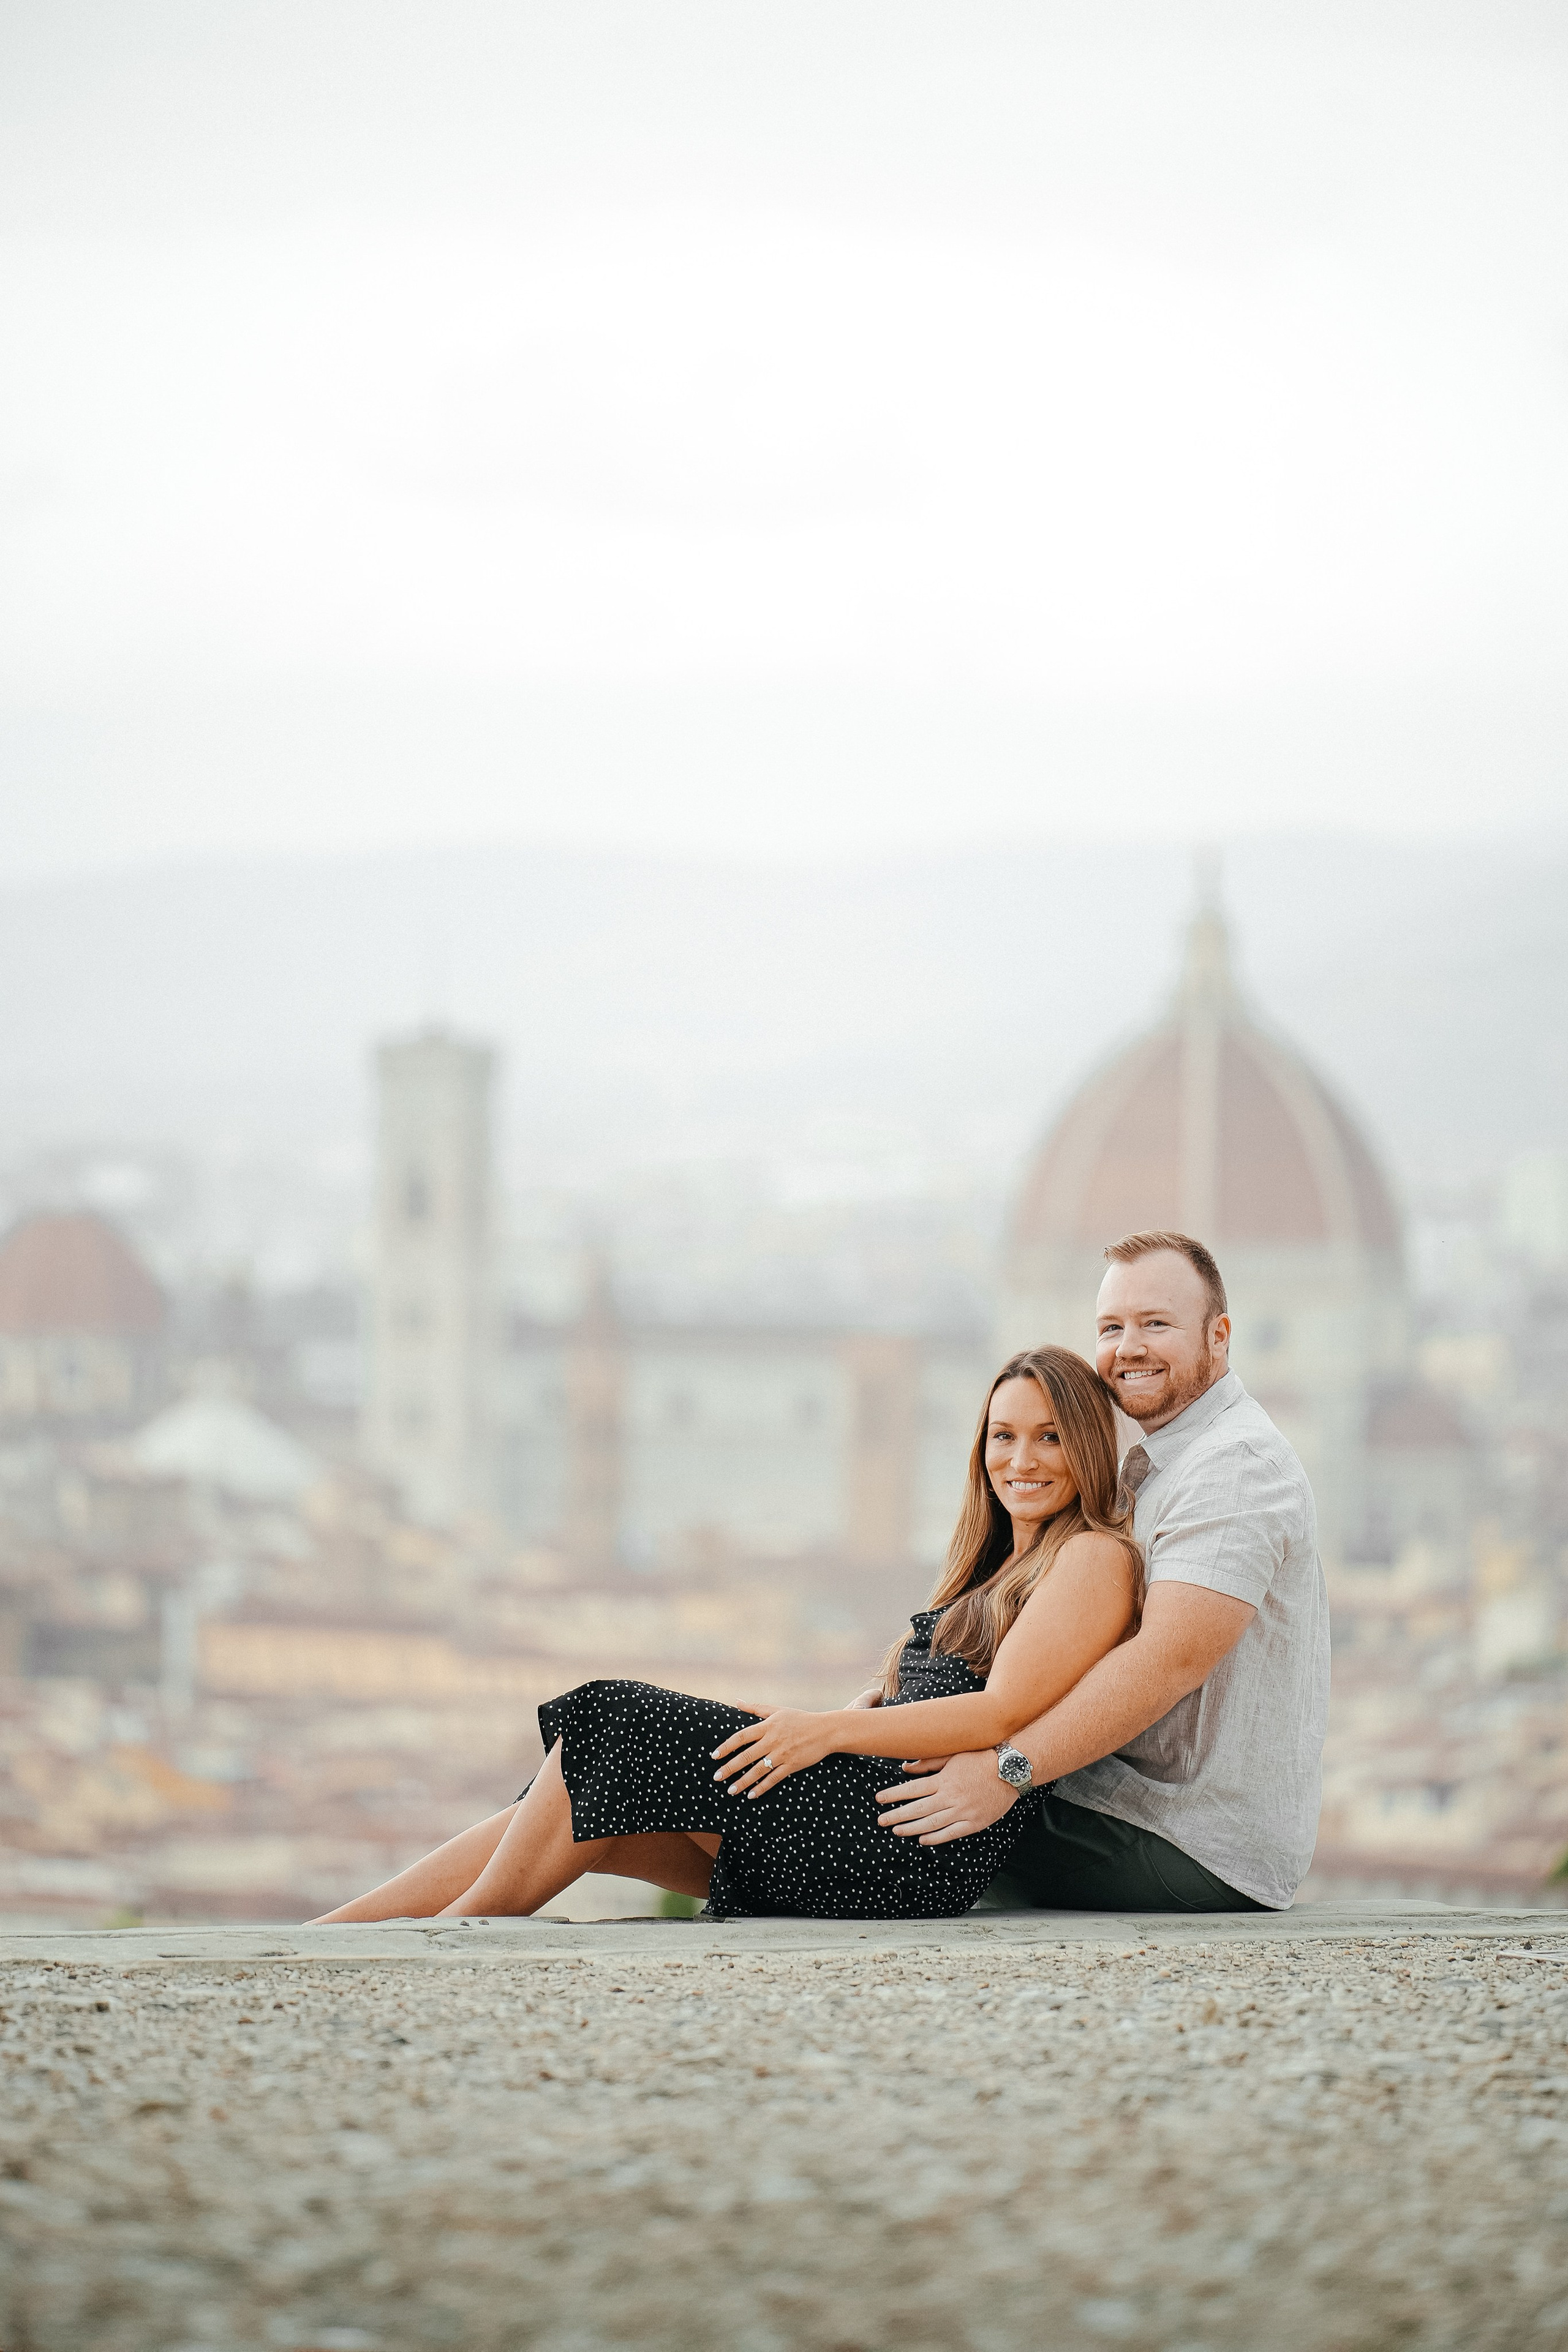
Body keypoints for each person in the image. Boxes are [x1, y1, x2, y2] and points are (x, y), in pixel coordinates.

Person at [309, 1346, 1141, 1924]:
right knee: (591, 1808)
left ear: (1087, 1446)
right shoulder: (995, 1567)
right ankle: (338, 1935)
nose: (1020, 1459)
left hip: (907, 1845)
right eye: (1003, 1435)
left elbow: (1001, 1714)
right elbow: (912, 1705)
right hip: (869, 1815)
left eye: (1049, 1436)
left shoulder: (1093, 1557)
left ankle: (449, 1937)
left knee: (611, 1718)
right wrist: (801, 1720)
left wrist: (826, 1729)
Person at [873, 1229, 1329, 1914]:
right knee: (833, 1787)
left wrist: (1006, 1772)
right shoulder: (1160, 1466)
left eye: (1155, 1324)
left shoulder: (1233, 1469)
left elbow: (1167, 1661)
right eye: (1111, 1327)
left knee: (852, 1798)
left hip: (1182, 1839)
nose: (1128, 1348)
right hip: (1118, 1808)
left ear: (1219, 1336)